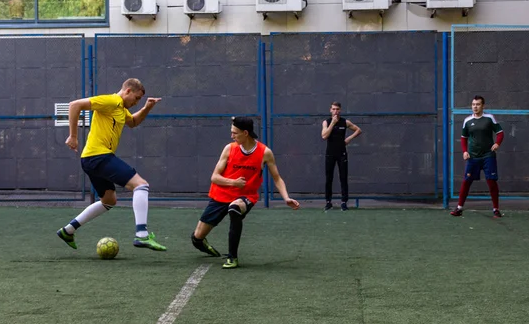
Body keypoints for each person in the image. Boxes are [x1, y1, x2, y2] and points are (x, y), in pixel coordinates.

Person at [57, 78, 166, 251]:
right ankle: (142, 235)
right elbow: (74, 105)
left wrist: (146, 108)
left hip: (91, 159)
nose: (136, 102)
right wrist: (73, 136)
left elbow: (133, 122)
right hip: (98, 156)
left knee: (109, 200)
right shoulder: (112, 101)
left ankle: (68, 231)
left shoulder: (121, 109)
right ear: (128, 91)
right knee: (141, 185)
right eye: (136, 98)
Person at [191, 117, 300, 269]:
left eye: (235, 133)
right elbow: (214, 177)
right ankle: (201, 242)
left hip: (245, 196)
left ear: (246, 133)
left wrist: (286, 197)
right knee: (196, 238)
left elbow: (277, 178)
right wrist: (233, 182)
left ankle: (232, 257)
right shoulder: (229, 148)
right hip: (221, 194)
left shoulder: (265, 152)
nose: (232, 136)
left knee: (234, 209)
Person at [451, 95, 504, 218]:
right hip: (473, 157)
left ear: (483, 106)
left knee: (491, 182)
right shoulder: (467, 121)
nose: (475, 107)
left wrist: (497, 143)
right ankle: (459, 208)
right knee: (466, 181)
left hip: (488, 156)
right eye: (473, 104)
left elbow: (500, 133)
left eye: (478, 104)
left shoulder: (489, 118)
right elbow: (463, 138)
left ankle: (496, 209)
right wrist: (465, 151)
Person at [321, 102, 362, 212]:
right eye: (333, 109)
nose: (335, 111)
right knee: (329, 178)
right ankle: (328, 202)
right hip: (330, 153)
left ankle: (344, 203)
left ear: (340, 110)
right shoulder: (326, 122)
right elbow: (324, 136)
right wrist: (332, 124)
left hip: (342, 153)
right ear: (330, 110)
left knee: (343, 178)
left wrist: (349, 138)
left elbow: (358, 130)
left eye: (337, 109)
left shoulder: (345, 122)